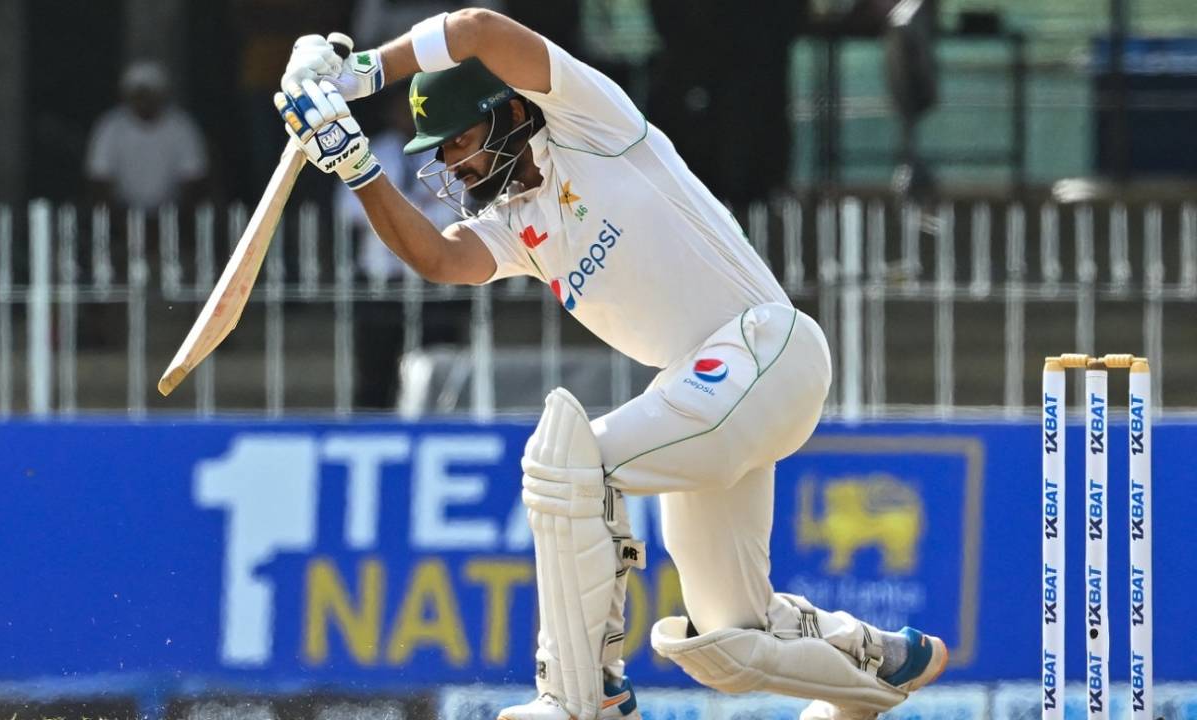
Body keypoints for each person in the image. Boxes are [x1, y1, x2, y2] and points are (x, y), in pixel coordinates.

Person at [272, 10, 947, 720]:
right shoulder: (516, 224)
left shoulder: (589, 124)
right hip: (714, 389)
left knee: (568, 464)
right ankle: (880, 661)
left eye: (460, 142)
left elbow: (474, 29)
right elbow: (440, 258)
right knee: (731, 645)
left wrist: (362, 72)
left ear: (508, 112)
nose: (453, 166)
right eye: (439, 156)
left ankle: (581, 691)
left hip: (765, 347)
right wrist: (357, 166)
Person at [86, 61, 208, 209]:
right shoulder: (109, 126)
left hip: (173, 214)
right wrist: (120, 220)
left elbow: (193, 180)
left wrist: (175, 218)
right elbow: (99, 180)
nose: (144, 100)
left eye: (149, 93)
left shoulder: (183, 126)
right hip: (121, 214)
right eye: (138, 94)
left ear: (162, 94)